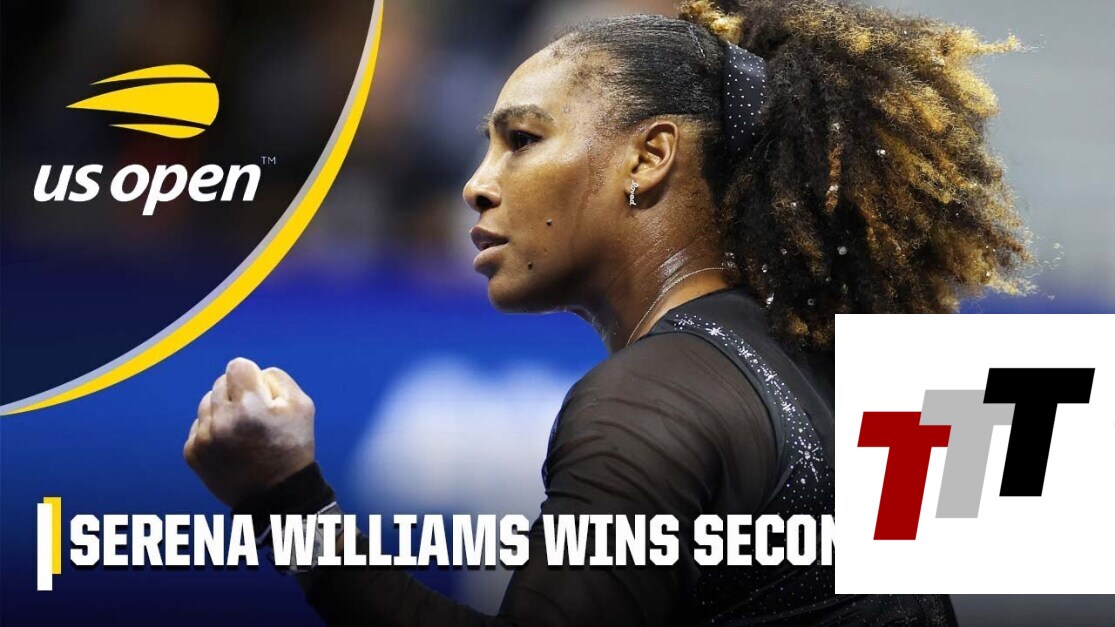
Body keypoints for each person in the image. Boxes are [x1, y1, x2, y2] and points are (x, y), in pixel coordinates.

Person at [184, 0, 1029, 624]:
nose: (476, 183)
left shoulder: (648, 401)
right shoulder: (825, 365)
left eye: (521, 140)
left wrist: (286, 499)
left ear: (649, 156)